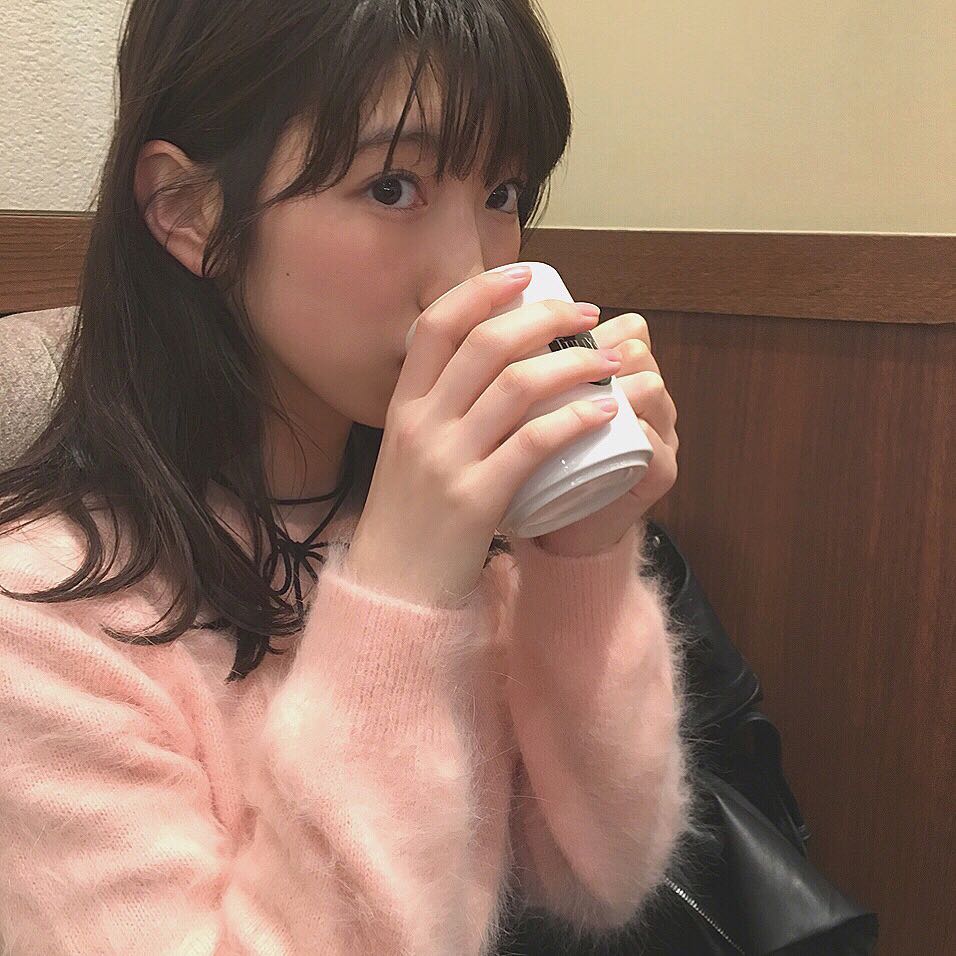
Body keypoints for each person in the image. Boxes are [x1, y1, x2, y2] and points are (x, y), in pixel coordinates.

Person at [0, 1, 707, 953]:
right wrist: (398, 594)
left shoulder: (470, 537)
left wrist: (580, 556)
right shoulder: (38, 625)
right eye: (391, 188)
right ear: (190, 212)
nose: (469, 274)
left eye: (502, 193)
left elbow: (598, 873)